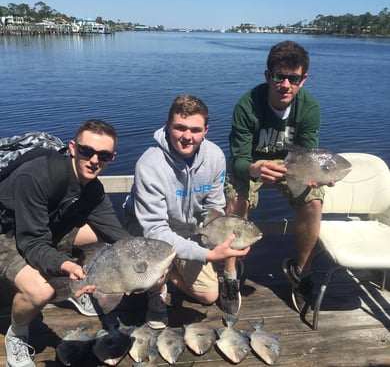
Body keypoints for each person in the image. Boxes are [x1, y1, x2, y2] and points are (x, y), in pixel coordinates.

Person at [0, 119, 135, 367]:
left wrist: (145, 260)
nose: (94, 160)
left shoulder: (92, 189)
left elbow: (115, 232)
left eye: (103, 155)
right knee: (41, 291)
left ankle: (70, 289)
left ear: (112, 158)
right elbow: (33, 245)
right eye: (87, 151)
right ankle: (17, 334)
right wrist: (66, 265)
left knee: (97, 232)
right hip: (5, 233)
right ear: (73, 148)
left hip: (38, 228)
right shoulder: (36, 177)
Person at [123, 94, 249, 329]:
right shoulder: (149, 164)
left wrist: (222, 236)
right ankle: (156, 292)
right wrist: (207, 255)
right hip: (147, 234)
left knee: (209, 296)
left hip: (188, 231)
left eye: (195, 129)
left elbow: (214, 206)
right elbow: (155, 230)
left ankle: (168, 273)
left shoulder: (215, 157)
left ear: (206, 130)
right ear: (168, 126)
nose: (187, 137)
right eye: (180, 128)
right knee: (147, 277)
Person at [224, 40, 325, 315]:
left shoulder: (309, 108)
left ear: (303, 80)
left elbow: (306, 155)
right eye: (280, 77)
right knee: (236, 203)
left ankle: (301, 273)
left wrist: (310, 175)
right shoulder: (248, 105)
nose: (286, 85)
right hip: (252, 164)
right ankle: (231, 275)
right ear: (268, 76)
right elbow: (239, 159)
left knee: (313, 201)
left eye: (294, 79)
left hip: (291, 165)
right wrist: (254, 169)